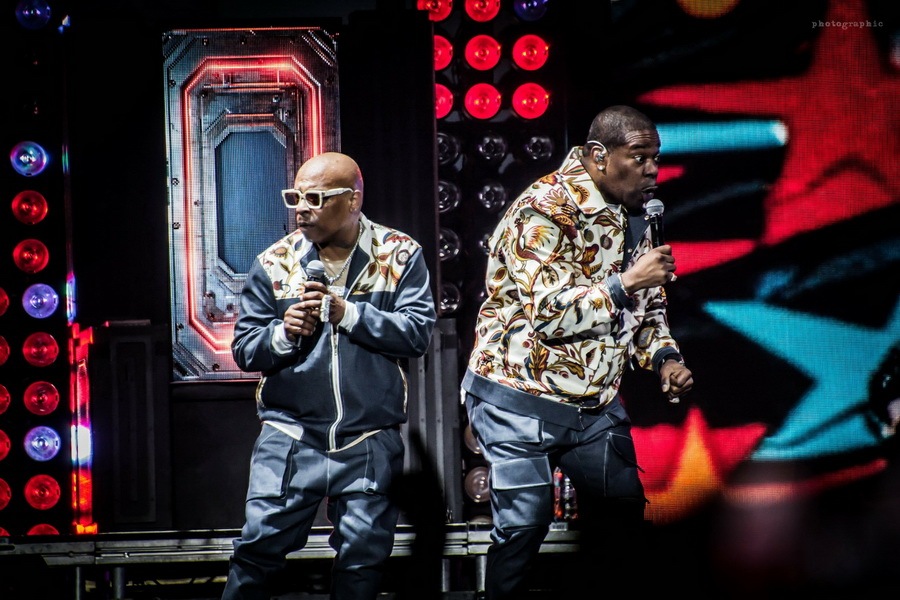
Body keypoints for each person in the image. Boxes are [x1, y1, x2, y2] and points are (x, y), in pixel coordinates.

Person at [461, 105, 694, 598]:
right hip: (517, 396)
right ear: (599, 155)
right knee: (524, 524)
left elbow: (647, 308)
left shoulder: (638, 216)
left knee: (623, 518)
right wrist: (626, 282)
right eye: (640, 157)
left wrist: (664, 359)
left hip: (591, 404)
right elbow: (550, 315)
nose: (652, 170)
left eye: (656, 158)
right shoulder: (543, 210)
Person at [221, 151, 437, 600]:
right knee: (256, 554)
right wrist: (283, 334)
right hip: (291, 435)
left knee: (363, 562)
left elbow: (417, 334)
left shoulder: (399, 254)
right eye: (295, 197)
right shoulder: (275, 262)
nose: (302, 208)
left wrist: (349, 314)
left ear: (353, 200)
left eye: (316, 198)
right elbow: (244, 349)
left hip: (368, 437)